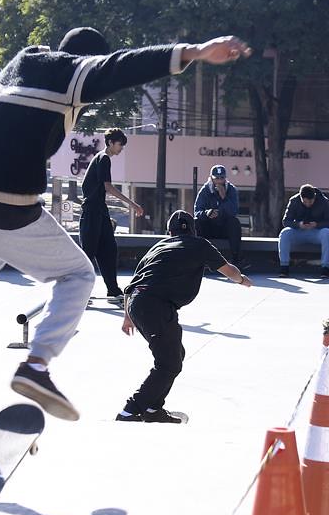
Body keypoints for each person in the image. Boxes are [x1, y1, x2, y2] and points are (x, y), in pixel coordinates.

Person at [0, 27, 251, 421]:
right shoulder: (70, 74)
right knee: (78, 274)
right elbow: (122, 67)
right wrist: (194, 51)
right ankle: (37, 365)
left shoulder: (23, 61)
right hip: (0, 194)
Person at [117, 210, 252, 423]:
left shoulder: (158, 247)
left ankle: (153, 410)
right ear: (194, 230)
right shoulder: (199, 244)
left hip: (139, 303)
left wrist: (127, 316)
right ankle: (131, 410)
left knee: (175, 355)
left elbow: (133, 283)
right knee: (168, 363)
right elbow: (228, 270)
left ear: (169, 232)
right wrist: (242, 279)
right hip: (155, 306)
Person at [79, 127, 143, 302]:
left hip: (100, 211)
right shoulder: (104, 158)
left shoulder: (102, 158)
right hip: (92, 211)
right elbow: (108, 186)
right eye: (120, 144)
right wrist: (132, 204)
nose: (121, 148)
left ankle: (113, 291)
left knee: (109, 249)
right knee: (88, 253)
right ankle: (78, 293)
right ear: (110, 143)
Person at [194, 165, 247, 268]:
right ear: (211, 178)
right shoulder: (205, 190)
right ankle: (200, 258)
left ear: (225, 178)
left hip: (224, 229)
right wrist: (207, 213)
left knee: (234, 222)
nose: (219, 181)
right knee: (197, 222)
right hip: (209, 228)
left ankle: (236, 259)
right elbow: (197, 211)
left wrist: (224, 198)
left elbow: (234, 212)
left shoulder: (231, 190)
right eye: (216, 178)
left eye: (221, 178)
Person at [278, 184, 329, 278]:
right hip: (299, 231)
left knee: (327, 233)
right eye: (305, 202)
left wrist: (317, 225)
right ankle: (284, 267)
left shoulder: (323, 201)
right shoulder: (293, 201)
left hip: (317, 232)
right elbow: (285, 221)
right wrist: (298, 225)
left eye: (310, 201)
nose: (308, 204)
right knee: (285, 233)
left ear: (315, 197)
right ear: (300, 197)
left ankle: (326, 268)